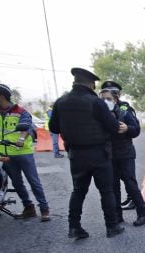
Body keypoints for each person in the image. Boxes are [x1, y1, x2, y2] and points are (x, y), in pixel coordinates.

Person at [48, 68, 125, 239]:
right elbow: (113, 126)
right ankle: (112, 227)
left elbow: (53, 128)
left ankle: (74, 227)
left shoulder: (61, 102)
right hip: (99, 153)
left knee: (78, 191)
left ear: (75, 82)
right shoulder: (95, 102)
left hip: (76, 154)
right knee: (106, 191)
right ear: (91, 84)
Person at [0, 83, 51, 221]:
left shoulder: (21, 111)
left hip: (22, 152)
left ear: (1, 96)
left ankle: (44, 210)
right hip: (3, 153)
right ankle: (29, 208)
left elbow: (26, 127)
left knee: (33, 181)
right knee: (17, 183)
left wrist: (21, 138)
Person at [99, 81, 145, 227]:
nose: (105, 102)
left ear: (115, 98)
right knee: (113, 187)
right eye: (102, 99)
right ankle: (118, 216)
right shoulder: (100, 114)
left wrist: (127, 128)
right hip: (110, 155)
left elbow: (136, 130)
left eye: (108, 99)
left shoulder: (125, 111)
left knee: (130, 184)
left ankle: (142, 214)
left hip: (125, 153)